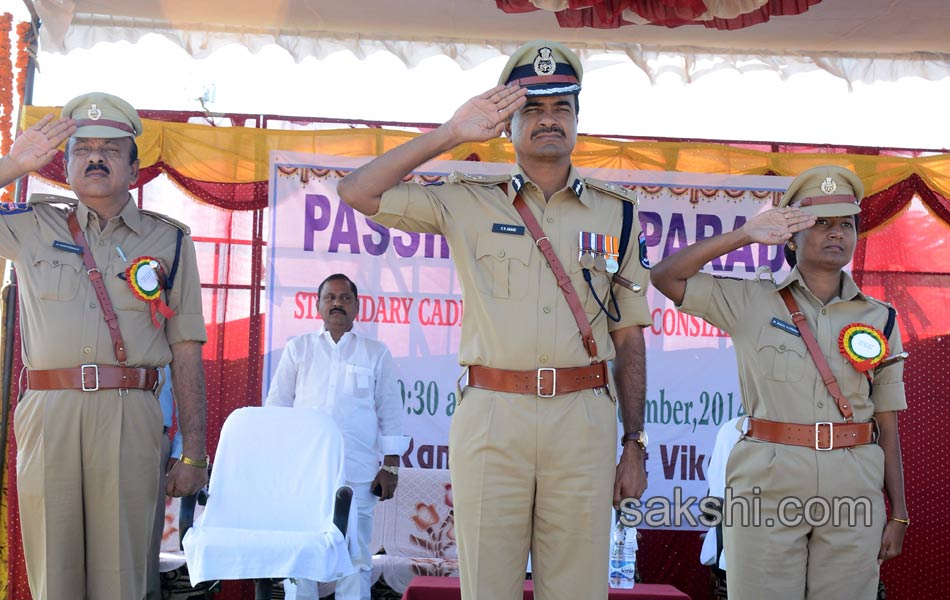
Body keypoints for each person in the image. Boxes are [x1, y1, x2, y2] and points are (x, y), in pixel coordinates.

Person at [337, 40, 651, 600]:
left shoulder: (618, 214)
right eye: (532, 109)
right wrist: (451, 133)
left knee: (578, 589)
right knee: (488, 587)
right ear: (508, 126)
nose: (548, 120)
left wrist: (634, 443)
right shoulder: (468, 203)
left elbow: (628, 338)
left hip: (583, 421)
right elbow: (358, 191)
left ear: (579, 120)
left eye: (561, 109)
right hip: (492, 417)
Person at [650, 165, 908, 600]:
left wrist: (898, 512)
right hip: (767, 483)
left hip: (853, 481)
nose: (835, 234)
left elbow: (888, 423)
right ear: (790, 234)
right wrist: (747, 234)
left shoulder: (880, 317)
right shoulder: (750, 300)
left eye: (845, 224)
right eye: (820, 223)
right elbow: (666, 276)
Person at [0, 93, 209, 599]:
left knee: (123, 580)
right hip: (50, 411)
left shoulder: (170, 242)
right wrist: (12, 163)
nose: (95, 157)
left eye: (111, 149)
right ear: (65, 165)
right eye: (81, 149)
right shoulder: (29, 225)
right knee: (57, 575)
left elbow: (185, 350)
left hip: (130, 413)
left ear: (135, 168)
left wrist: (195, 454)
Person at [264, 273, 408, 600]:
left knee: (355, 560)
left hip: (357, 473)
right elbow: (277, 407)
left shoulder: (375, 353)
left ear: (357, 307)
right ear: (318, 305)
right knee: (301, 556)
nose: (337, 304)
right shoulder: (297, 349)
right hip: (305, 474)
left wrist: (391, 467)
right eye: (330, 298)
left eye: (345, 298)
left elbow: (391, 411)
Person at [146, 364, 185, 600]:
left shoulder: (167, 330)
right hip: (97, 433)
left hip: (152, 438)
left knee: (145, 547)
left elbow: (186, 381)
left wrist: (181, 451)